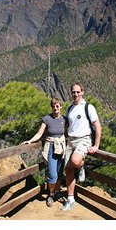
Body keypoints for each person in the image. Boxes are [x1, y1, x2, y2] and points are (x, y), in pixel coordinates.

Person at [61, 83, 101, 211]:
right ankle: (71, 198)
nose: (75, 94)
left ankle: (81, 166)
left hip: (84, 139)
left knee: (75, 161)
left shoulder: (88, 107)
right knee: (68, 170)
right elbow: (68, 126)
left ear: (82, 92)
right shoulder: (70, 108)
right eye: (73, 92)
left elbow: (98, 126)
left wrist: (96, 145)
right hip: (71, 140)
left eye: (78, 92)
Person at [22, 97, 68, 207]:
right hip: (51, 147)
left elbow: (67, 134)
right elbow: (39, 134)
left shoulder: (65, 120)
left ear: (61, 106)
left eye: (57, 106)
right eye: (53, 106)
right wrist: (30, 140)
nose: (55, 108)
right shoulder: (47, 119)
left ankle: (57, 192)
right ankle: (51, 194)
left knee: (59, 173)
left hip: (61, 148)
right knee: (52, 174)